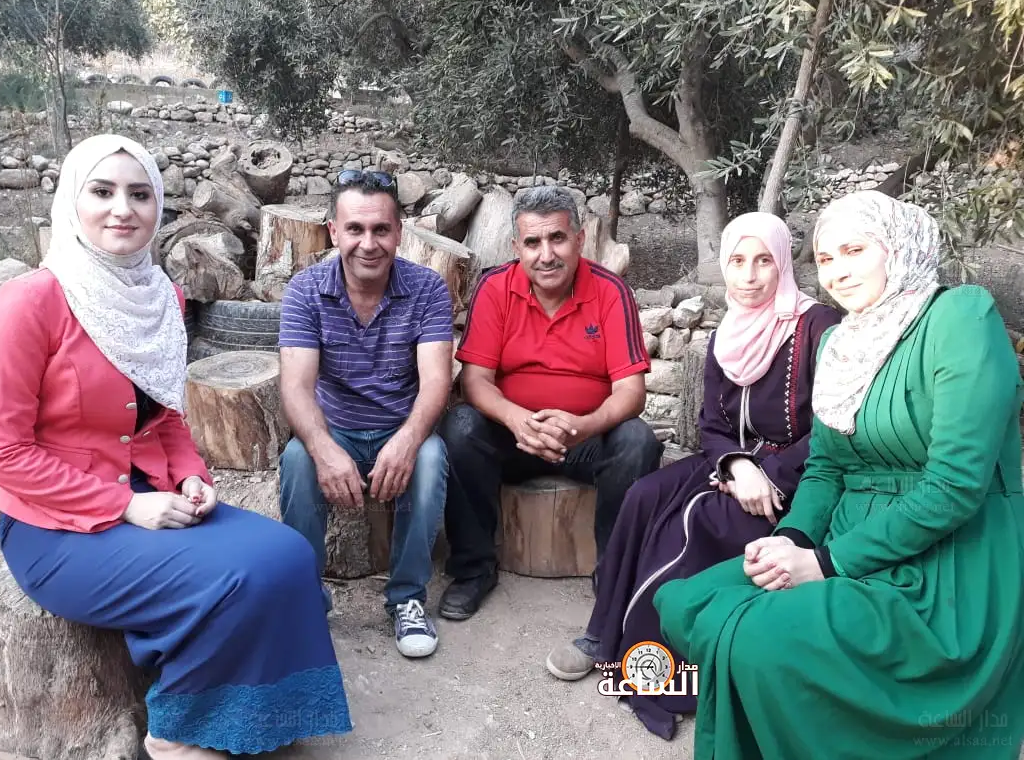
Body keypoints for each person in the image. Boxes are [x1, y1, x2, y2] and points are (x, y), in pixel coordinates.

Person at [0, 134, 351, 759]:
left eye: (140, 194)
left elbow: (165, 416)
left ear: (159, 205)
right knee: (234, 580)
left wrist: (189, 475)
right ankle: (181, 734)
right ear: (73, 201)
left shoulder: (160, 297)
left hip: (152, 495)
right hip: (58, 528)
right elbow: (3, 452)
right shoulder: (29, 303)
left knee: (290, 555)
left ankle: (257, 716)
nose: (122, 209)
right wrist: (125, 505)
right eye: (102, 192)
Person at [654, 190, 1024, 759]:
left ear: (898, 248)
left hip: (947, 561)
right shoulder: (839, 340)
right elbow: (826, 466)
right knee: (686, 603)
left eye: (855, 251)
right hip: (841, 534)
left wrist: (826, 563)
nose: (838, 272)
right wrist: (791, 539)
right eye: (826, 259)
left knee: (756, 637)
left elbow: (954, 487)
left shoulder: (960, 318)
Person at [544, 212, 842, 739]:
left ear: (783, 265)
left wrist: (767, 474)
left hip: (795, 478)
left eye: (763, 261)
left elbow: (831, 427)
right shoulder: (730, 332)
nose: (749, 275)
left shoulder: (816, 326)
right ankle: (602, 635)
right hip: (733, 466)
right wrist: (737, 465)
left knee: (698, 520)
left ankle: (661, 674)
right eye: (737, 261)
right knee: (644, 494)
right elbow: (713, 426)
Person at [436, 185, 663, 621]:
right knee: (460, 427)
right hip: (512, 437)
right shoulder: (496, 287)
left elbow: (631, 393)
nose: (546, 255)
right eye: (533, 242)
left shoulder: (610, 291)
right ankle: (473, 570)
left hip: (586, 438)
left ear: (579, 239)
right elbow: (475, 382)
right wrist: (518, 419)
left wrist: (584, 425)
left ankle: (614, 576)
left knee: (638, 441)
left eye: (557, 238)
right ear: (515, 247)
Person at [278, 169, 452, 659]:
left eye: (381, 229)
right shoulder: (306, 290)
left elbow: (436, 381)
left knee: (431, 458)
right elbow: (296, 386)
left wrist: (408, 440)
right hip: (336, 427)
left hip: (400, 423)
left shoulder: (428, 289)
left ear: (399, 232)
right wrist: (323, 448)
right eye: (355, 229)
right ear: (334, 231)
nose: (368, 244)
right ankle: (304, 598)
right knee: (297, 461)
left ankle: (407, 597)